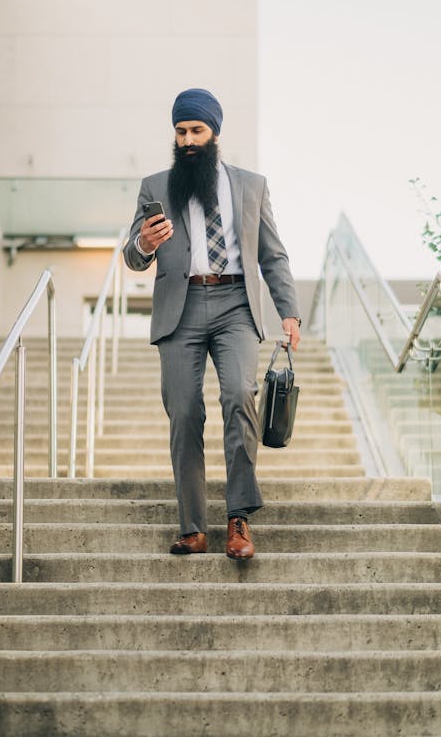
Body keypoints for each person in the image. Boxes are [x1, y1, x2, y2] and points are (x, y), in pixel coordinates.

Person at [123, 88, 301, 560]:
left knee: (239, 397)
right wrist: (143, 242)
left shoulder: (251, 185)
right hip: (180, 308)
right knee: (184, 412)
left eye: (195, 131)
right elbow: (132, 258)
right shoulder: (155, 185)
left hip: (236, 304)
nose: (186, 140)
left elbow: (272, 253)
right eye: (180, 131)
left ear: (214, 133)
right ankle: (193, 528)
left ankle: (238, 521)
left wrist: (289, 311)